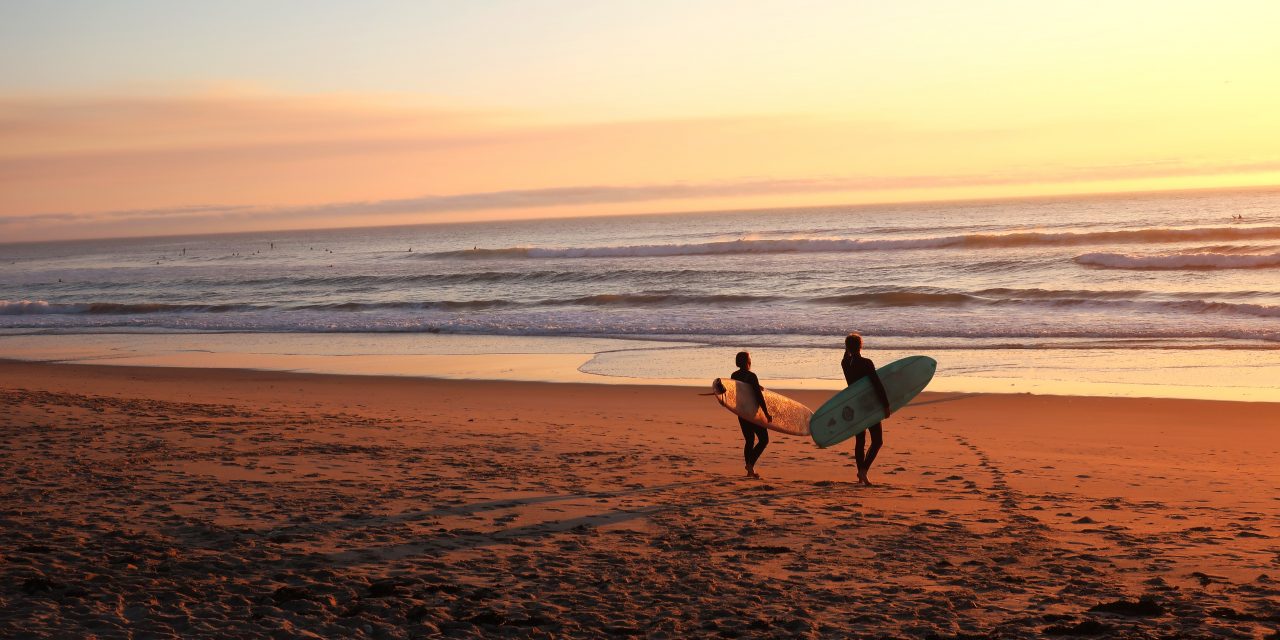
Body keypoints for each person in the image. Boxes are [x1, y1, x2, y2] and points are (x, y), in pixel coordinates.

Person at [841, 333, 892, 486]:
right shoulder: (866, 363)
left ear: (847, 347)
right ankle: (863, 470)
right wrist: (886, 405)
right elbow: (877, 384)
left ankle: (860, 475)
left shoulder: (844, 363)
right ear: (861, 346)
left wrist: (847, 349)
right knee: (877, 441)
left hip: (855, 406)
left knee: (860, 440)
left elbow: (846, 356)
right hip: (869, 405)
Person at [731, 351, 772, 478]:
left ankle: (750, 471)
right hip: (752, 413)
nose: (751, 361)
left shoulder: (734, 375)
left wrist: (756, 385)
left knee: (749, 440)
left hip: (741, 412)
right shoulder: (752, 376)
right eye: (749, 359)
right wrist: (766, 413)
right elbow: (758, 396)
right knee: (764, 440)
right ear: (746, 362)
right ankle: (750, 464)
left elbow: (741, 389)